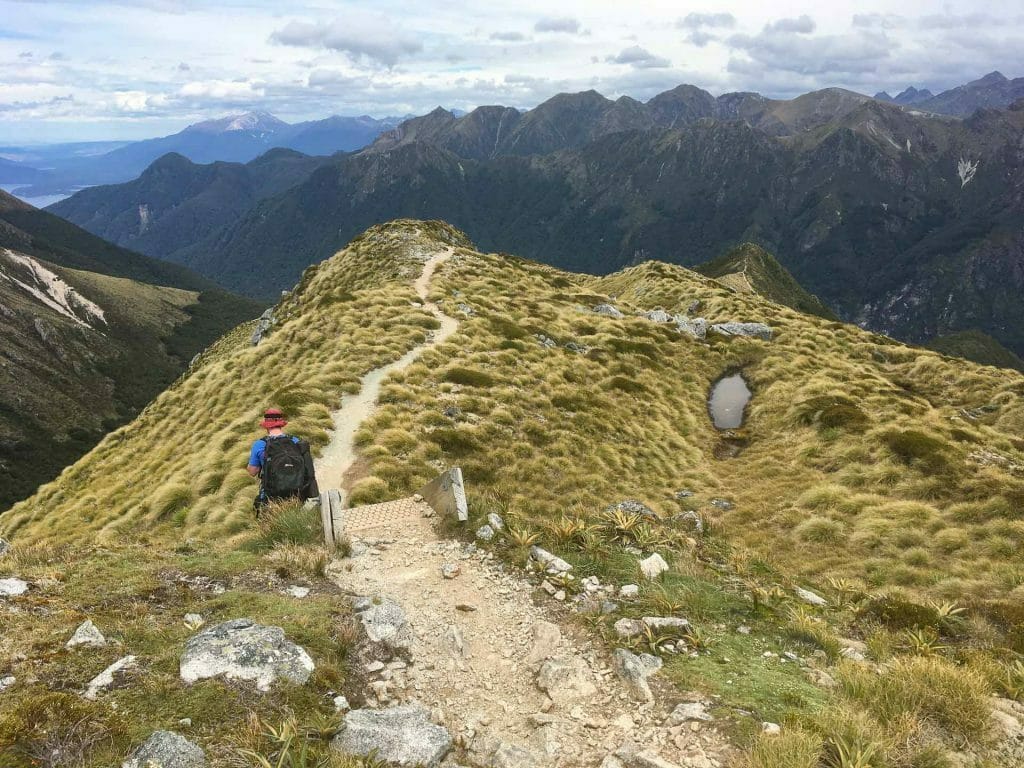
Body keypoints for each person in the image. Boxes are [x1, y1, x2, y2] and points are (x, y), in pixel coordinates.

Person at [247, 407, 319, 514]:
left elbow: (252, 472)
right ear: (281, 424)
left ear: (266, 426)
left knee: (268, 521)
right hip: (297, 495)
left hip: (271, 497)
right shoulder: (295, 441)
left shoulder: (259, 445)